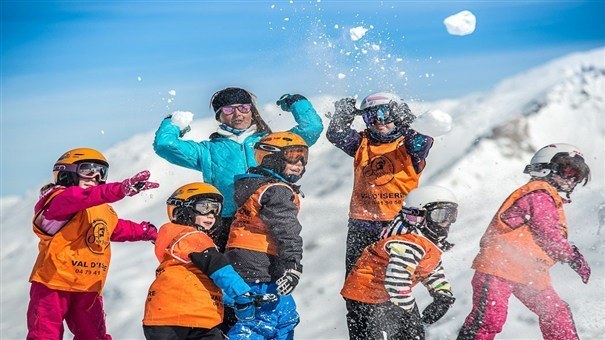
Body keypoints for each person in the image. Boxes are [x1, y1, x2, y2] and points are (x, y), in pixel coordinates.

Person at [153, 87, 323, 252]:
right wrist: (173, 123)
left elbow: (311, 128)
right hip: (225, 224)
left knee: (268, 275)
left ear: (251, 111)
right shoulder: (207, 151)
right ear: (219, 116)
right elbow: (164, 145)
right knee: (224, 277)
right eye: (228, 110)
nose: (238, 114)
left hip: (267, 217)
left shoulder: (271, 144)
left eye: (244, 107)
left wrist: (297, 103)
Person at [457, 143, 592, 340]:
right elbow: (549, 235)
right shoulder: (539, 194)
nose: (571, 179)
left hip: (528, 271)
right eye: (568, 170)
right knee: (488, 319)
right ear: (546, 167)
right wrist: (573, 256)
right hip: (499, 267)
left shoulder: (549, 197)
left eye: (577, 176)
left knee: (556, 314)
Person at [27, 147, 159, 339]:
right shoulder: (58, 200)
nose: (95, 177)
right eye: (87, 170)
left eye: (101, 172)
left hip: (88, 286)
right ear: (67, 173)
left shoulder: (100, 209)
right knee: (45, 335)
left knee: (94, 336)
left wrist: (147, 231)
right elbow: (80, 198)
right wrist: (120, 189)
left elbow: (116, 228)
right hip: (53, 284)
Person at [326, 92, 434, 275]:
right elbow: (336, 135)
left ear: (398, 116)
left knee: (394, 280)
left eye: (386, 114)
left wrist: (407, 121)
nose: (379, 121)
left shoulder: (408, 145)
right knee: (357, 281)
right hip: (362, 224)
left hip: (400, 223)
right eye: (371, 116)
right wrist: (342, 116)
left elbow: (421, 142)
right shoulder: (363, 142)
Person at [341, 185, 459, 340]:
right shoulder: (407, 243)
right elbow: (396, 282)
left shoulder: (426, 242)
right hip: (366, 298)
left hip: (389, 297)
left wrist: (442, 294)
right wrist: (410, 317)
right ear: (417, 216)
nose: (446, 223)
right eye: (439, 215)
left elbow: (430, 268)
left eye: (451, 216)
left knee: (412, 334)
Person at [143, 182, 254, 340]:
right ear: (182, 210)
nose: (211, 214)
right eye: (204, 207)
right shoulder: (192, 237)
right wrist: (242, 294)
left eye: (215, 209)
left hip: (157, 318)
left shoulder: (172, 246)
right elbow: (218, 267)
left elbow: (199, 281)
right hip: (194, 320)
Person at [225, 131, 308, 339]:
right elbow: (287, 228)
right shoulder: (277, 190)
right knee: (262, 320)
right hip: (259, 263)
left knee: (284, 316)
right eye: (292, 156)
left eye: (303, 156)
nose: (299, 163)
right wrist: (293, 265)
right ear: (272, 159)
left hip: (248, 260)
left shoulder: (255, 185)